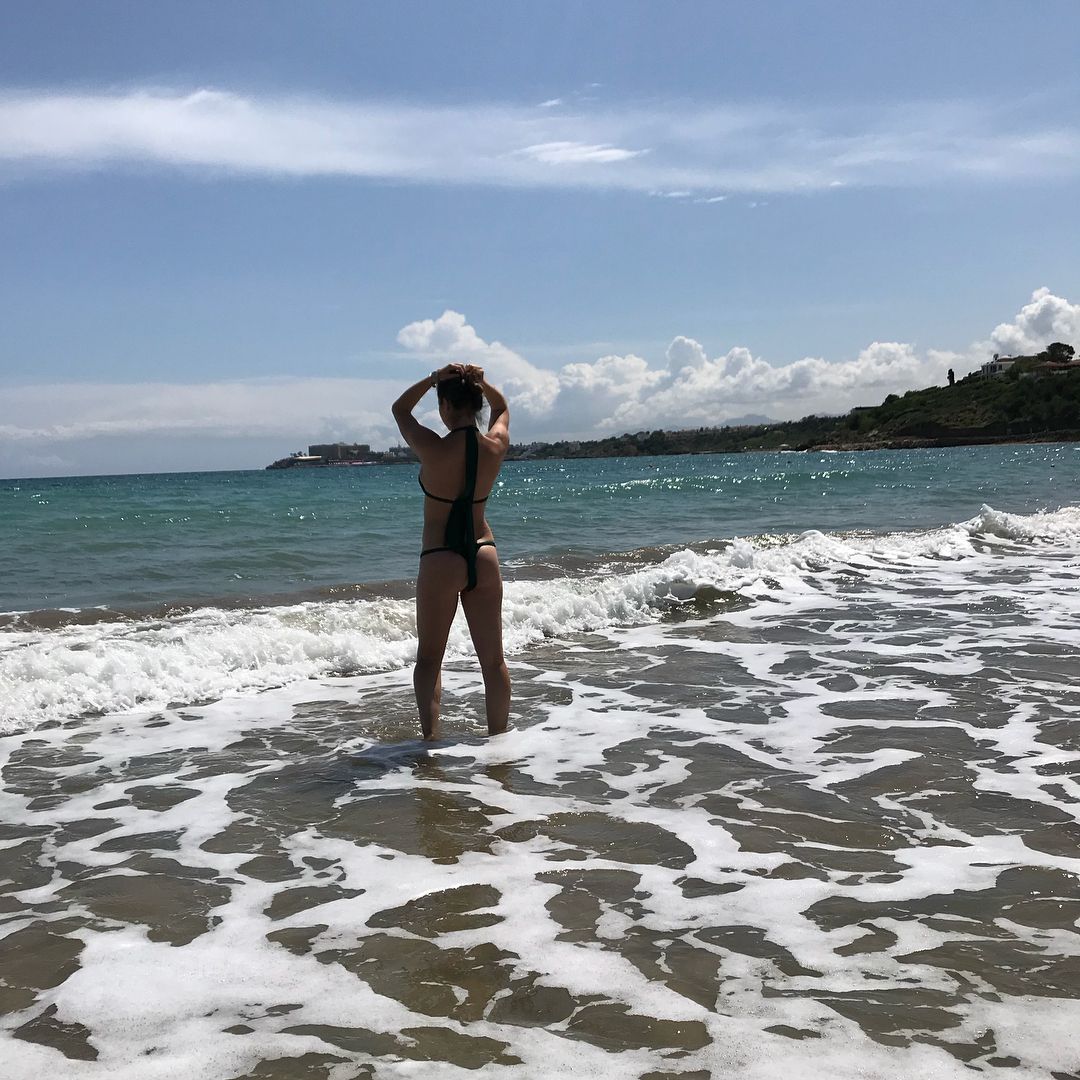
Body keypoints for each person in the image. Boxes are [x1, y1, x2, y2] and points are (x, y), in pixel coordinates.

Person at [392, 364, 511, 740]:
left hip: (440, 556)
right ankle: (499, 743)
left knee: (429, 660)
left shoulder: (433, 447)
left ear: (444, 406)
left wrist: (431, 379)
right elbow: (502, 408)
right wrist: (483, 383)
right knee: (493, 662)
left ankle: (430, 743)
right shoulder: (494, 446)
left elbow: (400, 409)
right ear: (476, 404)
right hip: (483, 553)